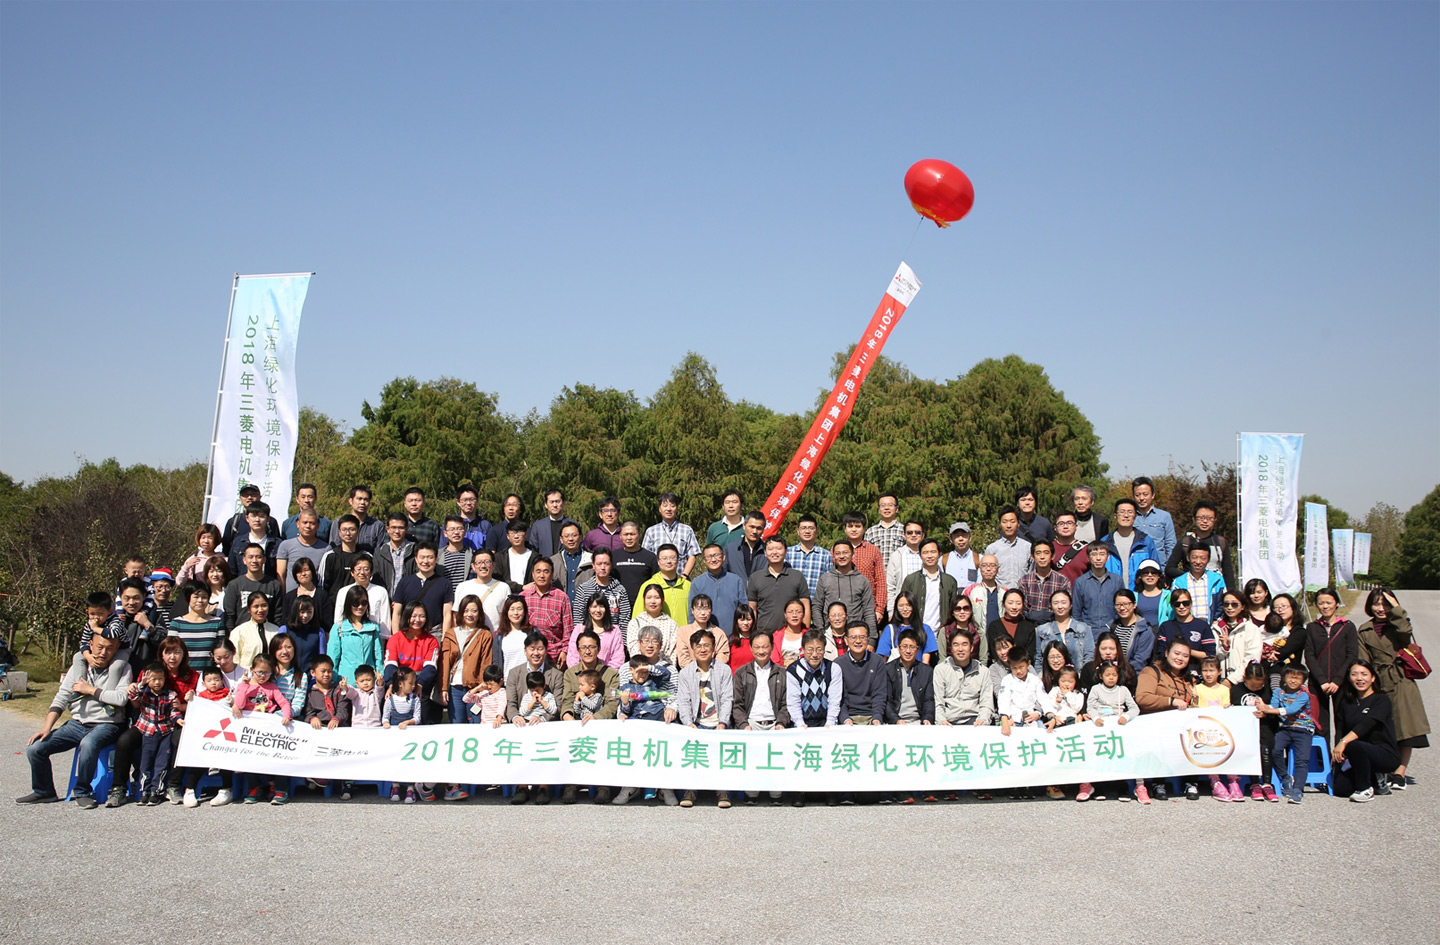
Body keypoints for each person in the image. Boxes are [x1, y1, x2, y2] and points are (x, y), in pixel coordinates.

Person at [1357, 589, 1430, 790]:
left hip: (1401, 680)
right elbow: (1363, 660)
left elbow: (1406, 633)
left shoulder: (1398, 625)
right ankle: (1385, 767)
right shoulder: (1364, 629)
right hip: (1379, 682)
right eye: (1376, 604)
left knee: (1406, 729)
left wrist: (1396, 608)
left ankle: (1400, 772)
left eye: (1386, 604)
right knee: (1381, 729)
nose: (1381, 609)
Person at [675, 628, 734, 808]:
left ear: (714, 648)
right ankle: (691, 790)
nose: (702, 649)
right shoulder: (685, 673)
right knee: (693, 755)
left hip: (718, 723)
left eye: (706, 645)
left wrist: (722, 722)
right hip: (696, 723)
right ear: (692, 649)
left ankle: (722, 791)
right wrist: (689, 723)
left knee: (721, 755)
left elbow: (727, 698)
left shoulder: (724, 670)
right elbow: (683, 701)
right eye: (698, 646)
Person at [1134, 638, 1196, 804]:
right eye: (1176, 653)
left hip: (1180, 728)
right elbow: (1142, 698)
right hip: (1153, 725)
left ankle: (1190, 782)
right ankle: (1157, 783)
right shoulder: (1152, 671)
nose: (1180, 658)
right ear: (1167, 653)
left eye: (1185, 656)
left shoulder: (1188, 679)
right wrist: (1171, 701)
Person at [1332, 660, 1401, 802]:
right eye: (1354, 674)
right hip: (1355, 755)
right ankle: (1376, 780)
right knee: (1341, 789)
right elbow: (1340, 728)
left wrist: (1343, 742)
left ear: (1373, 678)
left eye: (1364, 674)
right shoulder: (1346, 702)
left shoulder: (1381, 699)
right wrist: (1338, 751)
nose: (1359, 678)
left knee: (1356, 745)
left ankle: (1365, 788)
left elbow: (1366, 725)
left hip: (1383, 753)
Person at [231, 653, 294, 805]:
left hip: (268, 730)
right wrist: (245, 686)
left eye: (267, 672)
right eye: (260, 672)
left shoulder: (272, 688)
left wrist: (286, 715)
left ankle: (280, 789)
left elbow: (284, 703)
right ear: (252, 670)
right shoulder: (244, 686)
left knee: (278, 757)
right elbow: (238, 705)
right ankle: (255, 788)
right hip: (250, 732)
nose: (263, 676)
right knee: (250, 759)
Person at [1303, 587, 1359, 743]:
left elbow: (1352, 656)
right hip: (1318, 683)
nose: (1325, 606)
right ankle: (1324, 763)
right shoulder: (1312, 628)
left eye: (1329, 602)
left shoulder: (1347, 627)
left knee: (1343, 723)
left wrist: (1337, 680)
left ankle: (1341, 762)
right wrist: (1321, 681)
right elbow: (1309, 656)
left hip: (1342, 683)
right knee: (1320, 725)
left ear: (1336, 604)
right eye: (1321, 603)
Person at [1080, 660, 1138, 802]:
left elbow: (1135, 708)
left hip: (1118, 728)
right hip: (1101, 728)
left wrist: (1125, 716)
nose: (1111, 678)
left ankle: (1122, 788)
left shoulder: (1123, 690)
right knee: (1102, 756)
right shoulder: (1096, 689)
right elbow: (1090, 707)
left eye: (1114, 675)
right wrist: (1095, 718)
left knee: (1120, 757)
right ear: (1101, 675)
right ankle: (1100, 787)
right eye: (1107, 675)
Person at [126, 662, 179, 805]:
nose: (157, 682)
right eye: (153, 679)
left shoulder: (170, 695)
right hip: (148, 731)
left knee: (161, 763)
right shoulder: (144, 694)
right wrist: (140, 684)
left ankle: (157, 791)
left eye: (160, 679)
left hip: (165, 732)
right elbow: (133, 696)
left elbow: (174, 711)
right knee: (146, 762)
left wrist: (178, 720)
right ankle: (144, 791)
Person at [438, 594, 495, 726]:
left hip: (475, 688)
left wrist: (483, 687)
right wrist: (443, 688)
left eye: (474, 611)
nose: (470, 614)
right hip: (454, 688)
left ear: (479, 613)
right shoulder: (451, 634)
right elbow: (445, 663)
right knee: (457, 725)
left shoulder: (484, 634)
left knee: (476, 723)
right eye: (466, 610)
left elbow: (485, 663)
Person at [1192, 657, 1243, 801]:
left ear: (1219, 672)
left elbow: (1225, 707)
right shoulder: (1198, 689)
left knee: (1229, 748)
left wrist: (1227, 708)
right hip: (1204, 730)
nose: (1208, 674)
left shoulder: (1224, 689)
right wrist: (1194, 699)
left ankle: (1233, 781)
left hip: (1220, 728)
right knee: (1210, 750)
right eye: (1205, 670)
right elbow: (1193, 709)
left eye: (1212, 670)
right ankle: (1215, 781)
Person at [184, 666, 236, 807]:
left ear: (222, 681)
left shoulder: (228, 696)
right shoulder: (199, 698)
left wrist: (233, 703)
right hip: (205, 736)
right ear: (203, 683)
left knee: (227, 756)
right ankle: (189, 790)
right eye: (209, 680)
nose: (213, 683)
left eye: (216, 680)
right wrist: (190, 698)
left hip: (225, 736)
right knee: (199, 758)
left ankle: (226, 789)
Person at [1231, 660, 1280, 801]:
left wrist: (1266, 711)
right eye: (1253, 685)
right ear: (1245, 679)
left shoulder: (1268, 690)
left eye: (1259, 684)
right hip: (1244, 730)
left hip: (1265, 726)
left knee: (1265, 748)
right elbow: (1234, 710)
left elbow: (1276, 710)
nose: (1256, 687)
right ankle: (1254, 783)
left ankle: (1267, 783)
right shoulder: (1237, 689)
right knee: (1251, 749)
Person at [813, 539, 878, 643]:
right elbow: (817, 606)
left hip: (856, 636)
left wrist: (872, 640)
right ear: (833, 556)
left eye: (845, 552)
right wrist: (821, 631)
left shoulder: (862, 580)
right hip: (829, 636)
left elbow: (868, 611)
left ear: (853, 554)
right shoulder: (825, 579)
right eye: (837, 553)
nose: (841, 556)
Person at [899, 538, 958, 652]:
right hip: (916, 632)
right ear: (920, 555)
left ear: (940, 554)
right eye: (925, 552)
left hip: (941, 634)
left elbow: (953, 610)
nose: (929, 556)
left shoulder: (949, 581)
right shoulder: (911, 580)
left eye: (933, 552)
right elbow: (903, 606)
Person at [1271, 664, 1318, 804]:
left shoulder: (1303, 695)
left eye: (1298, 678)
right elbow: (1273, 706)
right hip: (1285, 728)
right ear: (1284, 677)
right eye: (1290, 677)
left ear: (1303, 680)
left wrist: (1269, 711)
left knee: (1302, 760)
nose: (1293, 680)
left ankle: (1298, 789)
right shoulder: (1278, 692)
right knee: (1274, 750)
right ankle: (1285, 777)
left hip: (1303, 729)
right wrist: (1261, 707)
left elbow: (1291, 710)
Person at [384, 603, 440, 721]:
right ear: (407, 617)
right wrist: (391, 685)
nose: (417, 620)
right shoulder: (395, 639)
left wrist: (419, 684)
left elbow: (430, 667)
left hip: (420, 684)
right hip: (399, 683)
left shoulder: (431, 640)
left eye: (422, 616)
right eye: (414, 616)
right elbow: (390, 664)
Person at [1164, 500, 1236, 589]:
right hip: (1190, 588)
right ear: (1194, 519)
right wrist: (1190, 576)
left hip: (1215, 589)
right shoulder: (1185, 542)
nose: (1205, 521)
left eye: (1209, 518)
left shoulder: (1221, 542)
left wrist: (1231, 592)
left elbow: (1228, 571)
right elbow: (1169, 569)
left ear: (1215, 520)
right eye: (1201, 518)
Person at [748, 535, 810, 633]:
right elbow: (752, 609)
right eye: (770, 549)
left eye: (779, 548)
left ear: (785, 552)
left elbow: (806, 606)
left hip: (792, 634)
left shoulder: (797, 576)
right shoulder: (755, 578)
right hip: (764, 635)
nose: (775, 552)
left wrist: (806, 632)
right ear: (765, 553)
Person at [569, 547, 633, 639]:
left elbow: (624, 620)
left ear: (611, 565)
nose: (603, 567)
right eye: (599, 564)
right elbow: (578, 620)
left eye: (606, 564)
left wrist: (622, 644)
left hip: (613, 640)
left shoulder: (620, 590)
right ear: (593, 566)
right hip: (589, 640)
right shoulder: (584, 589)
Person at [934, 630, 993, 727]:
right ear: (951, 648)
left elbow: (986, 702)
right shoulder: (941, 669)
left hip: (975, 720)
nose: (960, 649)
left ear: (971, 647)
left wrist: (983, 720)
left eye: (964, 644)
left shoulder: (983, 671)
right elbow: (938, 702)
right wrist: (941, 721)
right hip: (949, 721)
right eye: (956, 645)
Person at [330, 585, 385, 687]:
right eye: (356, 603)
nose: (360, 607)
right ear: (348, 604)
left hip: (368, 684)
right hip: (346, 683)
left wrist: (379, 677)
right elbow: (333, 658)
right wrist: (334, 680)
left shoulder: (373, 627)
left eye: (364, 603)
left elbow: (378, 657)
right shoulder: (339, 628)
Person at [221, 543, 282, 633]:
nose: (254, 560)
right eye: (250, 557)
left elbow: (278, 615)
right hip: (242, 635)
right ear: (244, 560)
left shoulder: (274, 585)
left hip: (268, 634)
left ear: (264, 559)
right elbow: (230, 616)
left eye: (258, 557)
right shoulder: (234, 585)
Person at [329, 554, 390, 643]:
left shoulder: (380, 591)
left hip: (373, 639)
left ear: (371, 572)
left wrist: (382, 641)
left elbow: (385, 619)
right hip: (349, 638)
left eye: (366, 569)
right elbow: (339, 619)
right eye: (358, 569)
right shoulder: (344, 592)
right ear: (352, 573)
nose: (362, 572)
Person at [520, 558, 570, 664]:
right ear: (533, 574)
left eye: (546, 571)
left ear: (552, 575)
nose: (542, 575)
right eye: (538, 571)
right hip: (527, 657)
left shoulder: (562, 597)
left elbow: (568, 630)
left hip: (553, 657)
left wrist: (565, 651)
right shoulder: (523, 597)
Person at [1101, 499, 1159, 591]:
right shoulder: (1105, 542)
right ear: (1115, 515)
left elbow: (1156, 569)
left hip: (1139, 594)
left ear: (1135, 516)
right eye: (1122, 512)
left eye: (1130, 512)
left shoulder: (1145, 541)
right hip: (1111, 594)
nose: (1126, 515)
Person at [1155, 588, 1214, 675]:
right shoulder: (1166, 627)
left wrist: (1187, 652)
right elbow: (1161, 653)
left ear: (1191, 604)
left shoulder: (1202, 626)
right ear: (1172, 606)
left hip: (1196, 673)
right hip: (1171, 674)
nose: (1182, 607)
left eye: (1186, 603)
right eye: (1177, 604)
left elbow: (1210, 655)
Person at [689, 543, 747, 633]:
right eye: (709, 556)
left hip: (733, 635)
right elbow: (691, 611)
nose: (713, 559)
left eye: (716, 555)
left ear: (723, 557)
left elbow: (744, 608)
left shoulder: (736, 580)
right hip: (706, 636)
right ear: (704, 560)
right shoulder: (697, 583)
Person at [837, 622, 887, 727]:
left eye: (862, 637)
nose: (858, 641)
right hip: (848, 717)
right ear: (846, 640)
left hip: (871, 716)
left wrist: (877, 717)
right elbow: (839, 698)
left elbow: (879, 694)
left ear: (868, 640)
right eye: (853, 637)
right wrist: (845, 718)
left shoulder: (877, 661)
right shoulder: (838, 664)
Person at [843, 512, 888, 627]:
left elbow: (880, 581)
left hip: (867, 607)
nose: (854, 530)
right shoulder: (837, 550)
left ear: (864, 529)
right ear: (845, 529)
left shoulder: (873, 551)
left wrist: (879, 609)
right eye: (850, 526)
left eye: (858, 526)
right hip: (843, 606)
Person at [168, 581, 224, 673]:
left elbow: (221, 651)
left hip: (208, 678)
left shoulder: (217, 622)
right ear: (188, 598)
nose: (200, 600)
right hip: (183, 676)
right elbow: (171, 651)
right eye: (196, 597)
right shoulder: (176, 623)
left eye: (204, 597)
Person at [451, 549, 510, 635]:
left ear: (493, 565)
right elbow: (456, 615)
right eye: (479, 562)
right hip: (467, 638)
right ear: (473, 566)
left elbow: (507, 616)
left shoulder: (503, 587)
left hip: (494, 638)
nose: (483, 566)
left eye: (487, 562)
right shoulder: (462, 587)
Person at [884, 629, 935, 725]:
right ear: (898, 648)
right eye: (904, 647)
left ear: (918, 649)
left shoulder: (926, 671)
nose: (908, 651)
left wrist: (928, 718)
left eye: (912, 647)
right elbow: (887, 701)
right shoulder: (888, 670)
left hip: (919, 722)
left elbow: (928, 700)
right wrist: (896, 720)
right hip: (895, 723)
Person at [1168, 545, 1226, 627]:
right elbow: (1174, 606)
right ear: (1188, 558)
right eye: (1194, 557)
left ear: (1208, 559)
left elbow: (1222, 603)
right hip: (1186, 626)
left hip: (1212, 626)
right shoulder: (1178, 582)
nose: (1198, 562)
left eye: (1203, 558)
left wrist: (1216, 621)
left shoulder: (1217, 579)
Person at [1034, 589, 1093, 669]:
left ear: (1071, 605)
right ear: (1051, 606)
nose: (1060, 606)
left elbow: (1089, 657)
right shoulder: (1042, 630)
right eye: (1056, 603)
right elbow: (1038, 659)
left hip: (1077, 678)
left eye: (1063, 602)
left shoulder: (1083, 628)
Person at [877, 592, 939, 664]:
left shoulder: (925, 629)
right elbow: (883, 657)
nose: (905, 609)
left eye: (908, 605)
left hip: (918, 671)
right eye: (901, 605)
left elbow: (926, 659)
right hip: (895, 672)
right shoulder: (890, 629)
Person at [636, 545, 692, 625]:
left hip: (683, 635)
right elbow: (638, 616)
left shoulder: (687, 586)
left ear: (678, 560)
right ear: (658, 561)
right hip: (657, 635)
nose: (669, 561)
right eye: (664, 558)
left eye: (673, 558)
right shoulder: (648, 585)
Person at [1071, 543, 1121, 632]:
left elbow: (1121, 607)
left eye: (1102, 554)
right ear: (1088, 558)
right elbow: (1076, 612)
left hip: (1112, 631)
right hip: (1088, 632)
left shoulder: (1117, 581)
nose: (1098, 558)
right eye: (1094, 554)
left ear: (1108, 557)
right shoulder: (1080, 582)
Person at [219, 484, 280, 556]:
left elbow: (276, 546)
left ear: (260, 497)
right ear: (240, 498)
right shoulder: (234, 522)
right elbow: (226, 547)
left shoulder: (270, 521)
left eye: (253, 494)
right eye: (245, 495)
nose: (249, 497)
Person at [226, 501, 280, 581]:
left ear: (268, 519)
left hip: (268, 588)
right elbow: (231, 571)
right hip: (242, 588)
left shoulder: (277, 544)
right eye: (253, 516)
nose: (257, 520)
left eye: (261, 516)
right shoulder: (238, 542)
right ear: (247, 518)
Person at [568, 594, 625, 669]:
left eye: (601, 606)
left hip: (606, 677)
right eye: (594, 607)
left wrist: (605, 674)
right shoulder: (579, 630)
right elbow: (572, 657)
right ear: (589, 609)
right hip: (581, 676)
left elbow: (618, 658)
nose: (598, 610)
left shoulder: (615, 631)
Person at [277, 510, 328, 592]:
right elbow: (281, 574)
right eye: (305, 522)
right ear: (298, 524)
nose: (308, 526)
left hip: (314, 597)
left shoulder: (325, 548)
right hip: (291, 597)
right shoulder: (285, 545)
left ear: (318, 525)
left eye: (312, 523)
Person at [229, 593, 281, 673]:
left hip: (272, 678)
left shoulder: (276, 630)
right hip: (247, 678)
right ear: (249, 610)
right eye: (256, 606)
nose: (260, 610)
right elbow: (234, 659)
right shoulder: (239, 631)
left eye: (264, 605)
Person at [998, 649, 1046, 736]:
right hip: (1013, 719)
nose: (1018, 671)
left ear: (1028, 664)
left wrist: (1038, 713)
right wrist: (1005, 721)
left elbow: (1043, 699)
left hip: (1032, 718)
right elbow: (1003, 701)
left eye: (1021, 667)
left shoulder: (1035, 680)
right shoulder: (1007, 680)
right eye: (1014, 668)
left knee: (1043, 735)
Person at [1109, 590, 1156, 678]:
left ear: (1134, 605)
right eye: (1118, 605)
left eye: (1126, 604)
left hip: (1132, 676)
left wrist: (1121, 674)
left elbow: (1140, 660)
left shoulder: (1144, 630)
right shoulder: (1111, 626)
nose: (1122, 608)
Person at [628, 584, 680, 664]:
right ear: (644, 600)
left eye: (657, 597)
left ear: (662, 600)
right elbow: (633, 649)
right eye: (649, 598)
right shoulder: (635, 623)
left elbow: (672, 652)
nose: (653, 601)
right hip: (640, 668)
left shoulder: (671, 624)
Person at [987, 589, 1037, 670]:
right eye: (1010, 603)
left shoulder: (1029, 627)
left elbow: (1030, 653)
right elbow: (994, 652)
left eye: (1018, 603)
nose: (1014, 607)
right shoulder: (994, 626)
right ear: (1003, 604)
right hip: (1001, 670)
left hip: (1022, 670)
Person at [676, 594, 731, 668]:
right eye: (698, 609)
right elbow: (683, 658)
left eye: (706, 608)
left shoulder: (719, 633)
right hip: (690, 674)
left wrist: (711, 670)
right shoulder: (683, 632)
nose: (703, 613)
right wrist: (697, 671)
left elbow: (723, 655)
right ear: (692, 610)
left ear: (711, 610)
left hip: (714, 673)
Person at [1131, 476, 1177, 563]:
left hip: (1159, 567)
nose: (1141, 498)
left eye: (1145, 494)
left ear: (1152, 495)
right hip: (1136, 567)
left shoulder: (1164, 516)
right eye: (1138, 495)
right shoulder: (1129, 517)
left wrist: (1169, 568)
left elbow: (1171, 544)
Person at [1216, 590, 1258, 684]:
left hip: (1242, 681)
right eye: (1226, 604)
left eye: (1234, 604)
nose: (1229, 608)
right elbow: (1213, 656)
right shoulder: (1216, 628)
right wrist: (1224, 648)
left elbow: (1252, 659)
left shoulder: (1250, 628)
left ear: (1242, 606)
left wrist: (1232, 680)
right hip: (1219, 681)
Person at [785, 514, 833, 598]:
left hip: (816, 604)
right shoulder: (788, 552)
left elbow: (828, 583)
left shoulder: (825, 555)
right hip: (791, 603)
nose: (807, 531)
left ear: (816, 531)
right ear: (798, 531)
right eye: (803, 528)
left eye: (811, 528)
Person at [985, 506, 1032, 589]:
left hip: (1022, 595)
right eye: (1005, 522)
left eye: (1012, 521)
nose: (1009, 525)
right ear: (1000, 524)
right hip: (1000, 596)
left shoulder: (1028, 547)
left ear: (1018, 524)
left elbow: (1032, 572)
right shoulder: (992, 549)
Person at [280, 597, 326, 681]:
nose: (305, 615)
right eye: (302, 612)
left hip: (310, 680)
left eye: (309, 612)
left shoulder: (319, 632)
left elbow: (321, 658)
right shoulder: (285, 630)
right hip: (286, 679)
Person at [885, 521, 926, 612]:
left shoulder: (930, 555)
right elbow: (890, 586)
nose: (913, 535)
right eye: (909, 532)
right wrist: (891, 611)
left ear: (923, 535)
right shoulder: (896, 556)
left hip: (925, 605)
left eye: (917, 532)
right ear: (904, 535)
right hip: (903, 607)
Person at [320, 515, 367, 594]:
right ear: (339, 532)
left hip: (359, 604)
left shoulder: (365, 557)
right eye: (344, 530)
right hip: (333, 604)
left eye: (352, 529)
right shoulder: (330, 556)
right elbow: (322, 584)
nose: (348, 533)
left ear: (358, 532)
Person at [963, 554, 1005, 641]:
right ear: (979, 568)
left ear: (998, 569)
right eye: (984, 565)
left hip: (1000, 638)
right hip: (977, 638)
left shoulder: (1004, 592)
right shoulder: (970, 591)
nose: (988, 569)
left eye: (992, 565)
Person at [371, 513, 416, 595]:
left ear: (406, 529)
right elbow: (376, 579)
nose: (397, 531)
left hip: (409, 600)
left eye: (401, 528)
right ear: (387, 529)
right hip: (385, 600)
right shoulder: (379, 552)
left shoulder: (414, 550)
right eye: (393, 527)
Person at [530, 488, 580, 559]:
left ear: (563, 503)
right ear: (546, 505)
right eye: (551, 502)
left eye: (557, 501)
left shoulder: (573, 525)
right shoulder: (538, 526)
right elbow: (533, 550)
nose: (555, 505)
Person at [492, 596, 534, 676]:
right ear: (506, 612)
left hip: (529, 682)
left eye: (519, 609)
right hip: (507, 683)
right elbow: (496, 663)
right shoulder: (500, 637)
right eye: (512, 609)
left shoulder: (532, 633)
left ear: (524, 612)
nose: (516, 613)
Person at [940, 597, 986, 666]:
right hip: (950, 672)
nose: (962, 612)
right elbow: (942, 658)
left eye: (966, 608)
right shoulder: (944, 631)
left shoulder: (979, 632)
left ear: (971, 611)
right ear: (952, 612)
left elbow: (983, 659)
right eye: (957, 609)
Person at [548, 521, 591, 595]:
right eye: (567, 536)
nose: (570, 539)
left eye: (574, 535)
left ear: (580, 537)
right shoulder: (553, 561)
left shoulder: (591, 559)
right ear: (561, 539)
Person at [340, 485, 385, 552]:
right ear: (350, 501)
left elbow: (379, 552)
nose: (362, 503)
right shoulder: (339, 523)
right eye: (359, 499)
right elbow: (334, 548)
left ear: (369, 502)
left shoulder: (377, 526)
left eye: (366, 499)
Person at [725, 511, 768, 581]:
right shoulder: (730, 549)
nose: (754, 531)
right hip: (736, 591)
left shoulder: (767, 551)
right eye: (751, 527)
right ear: (744, 526)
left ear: (763, 529)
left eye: (759, 528)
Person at [865, 494, 905, 571]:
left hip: (898, 573)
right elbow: (867, 556)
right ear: (879, 510)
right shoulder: (871, 532)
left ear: (897, 509)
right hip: (877, 573)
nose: (886, 508)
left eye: (890, 505)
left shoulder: (904, 530)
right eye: (883, 505)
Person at [494, 520, 539, 588]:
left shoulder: (535, 557)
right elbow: (497, 579)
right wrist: (520, 588)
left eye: (519, 533)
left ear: (526, 534)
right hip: (506, 594)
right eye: (512, 533)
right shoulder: (500, 557)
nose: (516, 536)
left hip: (528, 594)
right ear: (508, 536)